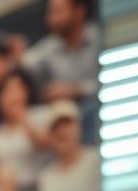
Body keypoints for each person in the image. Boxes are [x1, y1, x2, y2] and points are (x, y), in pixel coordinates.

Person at [22, 0, 100, 140]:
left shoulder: (100, 37)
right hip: (70, 114)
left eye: (58, 12)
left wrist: (76, 90)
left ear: (79, 11)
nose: (50, 19)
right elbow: (24, 63)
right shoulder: (49, 47)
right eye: (50, 13)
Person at [37, 98, 99, 191]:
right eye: (56, 128)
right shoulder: (46, 176)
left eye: (67, 124)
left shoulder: (95, 161)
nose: (62, 132)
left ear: (79, 127)